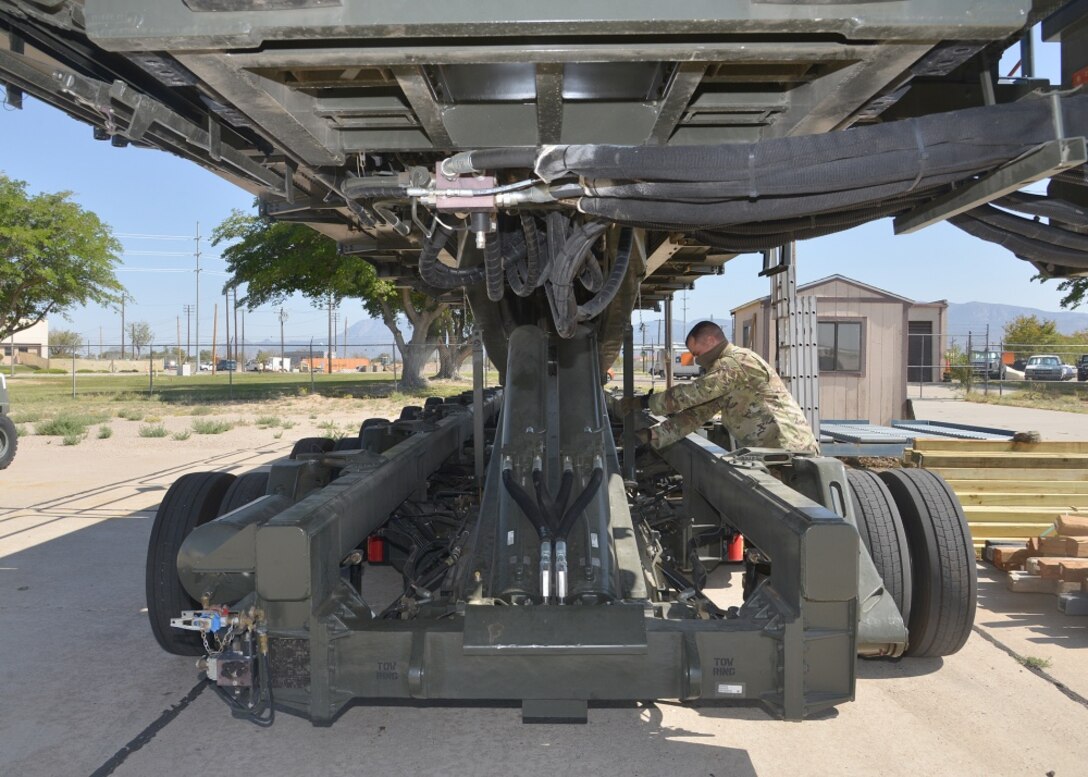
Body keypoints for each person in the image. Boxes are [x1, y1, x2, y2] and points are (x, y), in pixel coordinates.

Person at [619, 321, 819, 454]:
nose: (697, 359)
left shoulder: (734, 362)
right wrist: (649, 436)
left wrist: (643, 402)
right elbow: (695, 415)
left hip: (789, 448)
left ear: (711, 340)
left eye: (697, 352)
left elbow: (692, 395)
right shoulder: (722, 373)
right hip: (773, 450)